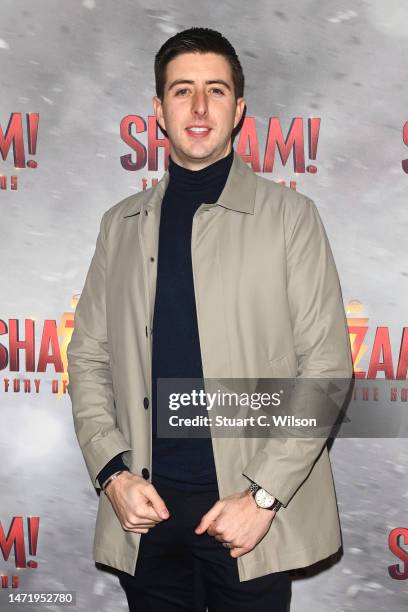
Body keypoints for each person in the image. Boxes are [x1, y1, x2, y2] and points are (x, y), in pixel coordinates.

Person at [67, 27, 353, 612]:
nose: (199, 107)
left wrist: (264, 497)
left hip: (247, 521)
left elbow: (325, 369)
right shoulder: (119, 225)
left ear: (239, 108)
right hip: (145, 520)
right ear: (158, 111)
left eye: (216, 90)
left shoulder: (290, 217)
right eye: (182, 91)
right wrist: (113, 473)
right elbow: (89, 356)